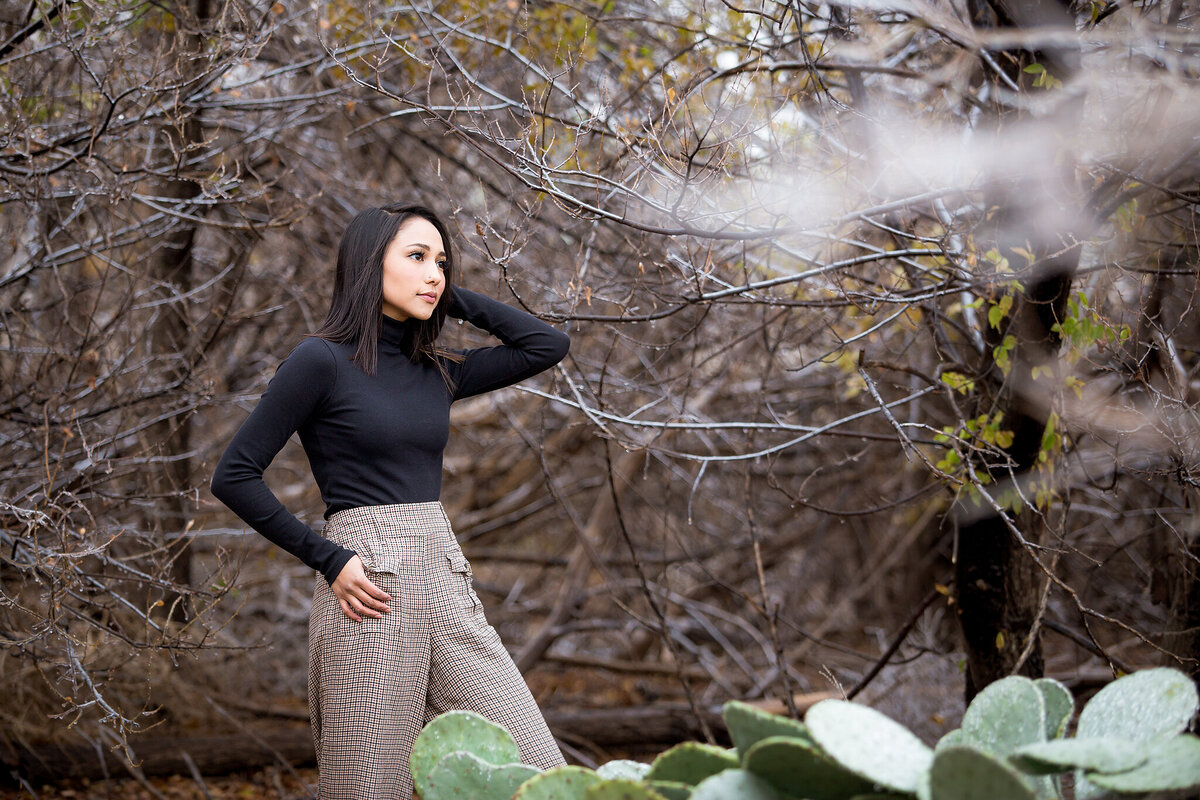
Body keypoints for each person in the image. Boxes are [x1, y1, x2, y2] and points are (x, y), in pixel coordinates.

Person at [210, 203, 570, 798]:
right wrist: (330, 560)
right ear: (369, 264)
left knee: (535, 771)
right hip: (367, 587)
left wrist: (446, 296)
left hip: (445, 579)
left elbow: (545, 345)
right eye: (417, 257)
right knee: (370, 787)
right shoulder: (319, 361)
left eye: (442, 263)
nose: (435, 273)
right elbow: (235, 474)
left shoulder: (438, 370)